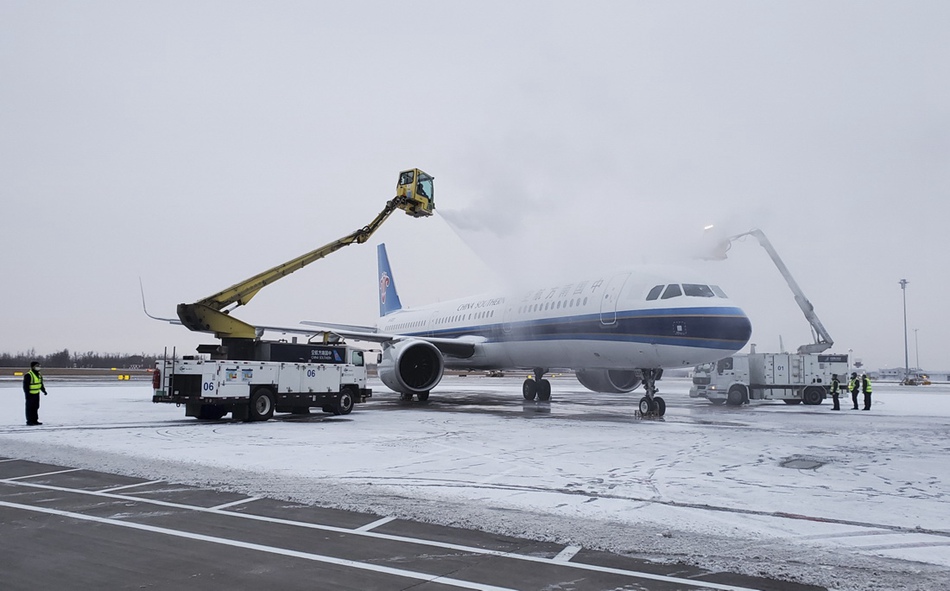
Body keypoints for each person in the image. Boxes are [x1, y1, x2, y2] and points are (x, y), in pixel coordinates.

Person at [23, 361, 48, 426]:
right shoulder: (28, 375)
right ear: (32, 367)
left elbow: (40, 384)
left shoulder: (39, 375)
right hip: (30, 394)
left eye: (39, 366)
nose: (38, 367)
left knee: (36, 407)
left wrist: (44, 391)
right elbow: (25, 386)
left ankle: (35, 420)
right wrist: (27, 394)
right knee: (30, 408)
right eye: (37, 366)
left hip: (37, 394)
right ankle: (29, 421)